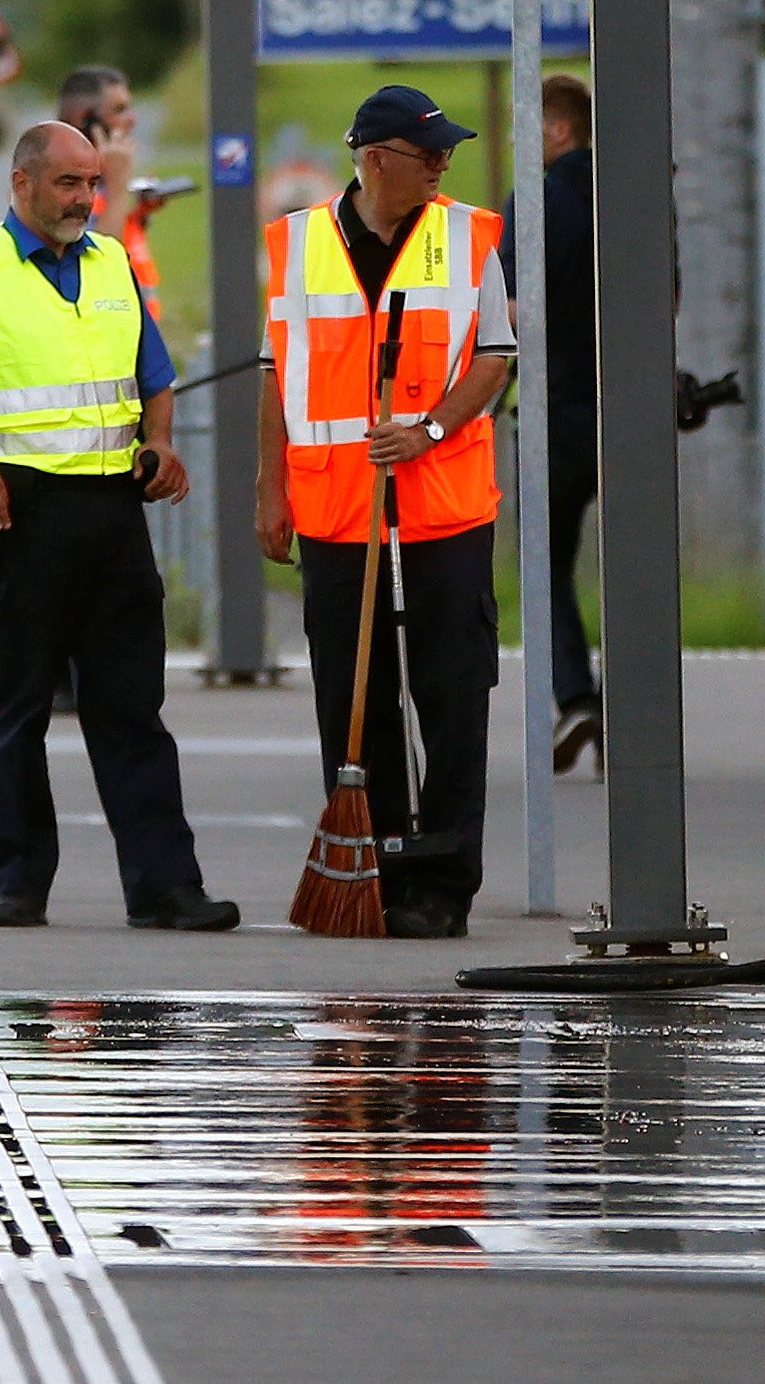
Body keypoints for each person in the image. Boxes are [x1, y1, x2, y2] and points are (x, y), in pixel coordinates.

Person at [0, 120, 240, 934]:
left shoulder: (111, 266)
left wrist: (160, 442)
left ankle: (166, 886)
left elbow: (154, 373)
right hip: (18, 519)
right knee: (19, 709)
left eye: (92, 183)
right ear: (21, 184)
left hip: (112, 514)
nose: (84, 199)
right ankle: (19, 883)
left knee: (133, 708)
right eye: (68, 183)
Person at [258, 85, 519, 938]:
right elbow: (276, 379)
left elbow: (494, 359)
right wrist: (271, 491)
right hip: (337, 508)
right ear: (375, 159)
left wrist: (431, 426)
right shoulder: (296, 247)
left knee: (449, 692)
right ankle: (375, 865)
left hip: (444, 501)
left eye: (447, 152)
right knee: (354, 696)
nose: (445, 164)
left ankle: (442, 882)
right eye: (428, 152)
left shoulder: (468, 236)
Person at [500, 70, 604, 773]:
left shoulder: (537, 200)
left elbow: (507, 312)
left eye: (526, 125)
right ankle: (638, 704)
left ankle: (578, 695)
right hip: (630, 410)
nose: (517, 139)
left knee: (545, 560)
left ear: (558, 129)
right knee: (634, 568)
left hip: (556, 409)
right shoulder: (634, 191)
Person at [54, 64, 174, 326]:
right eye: (119, 110)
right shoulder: (58, 184)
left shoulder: (102, 179)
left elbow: (118, 241)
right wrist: (119, 183)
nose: (132, 119)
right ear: (84, 121)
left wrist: (138, 216)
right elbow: (100, 260)